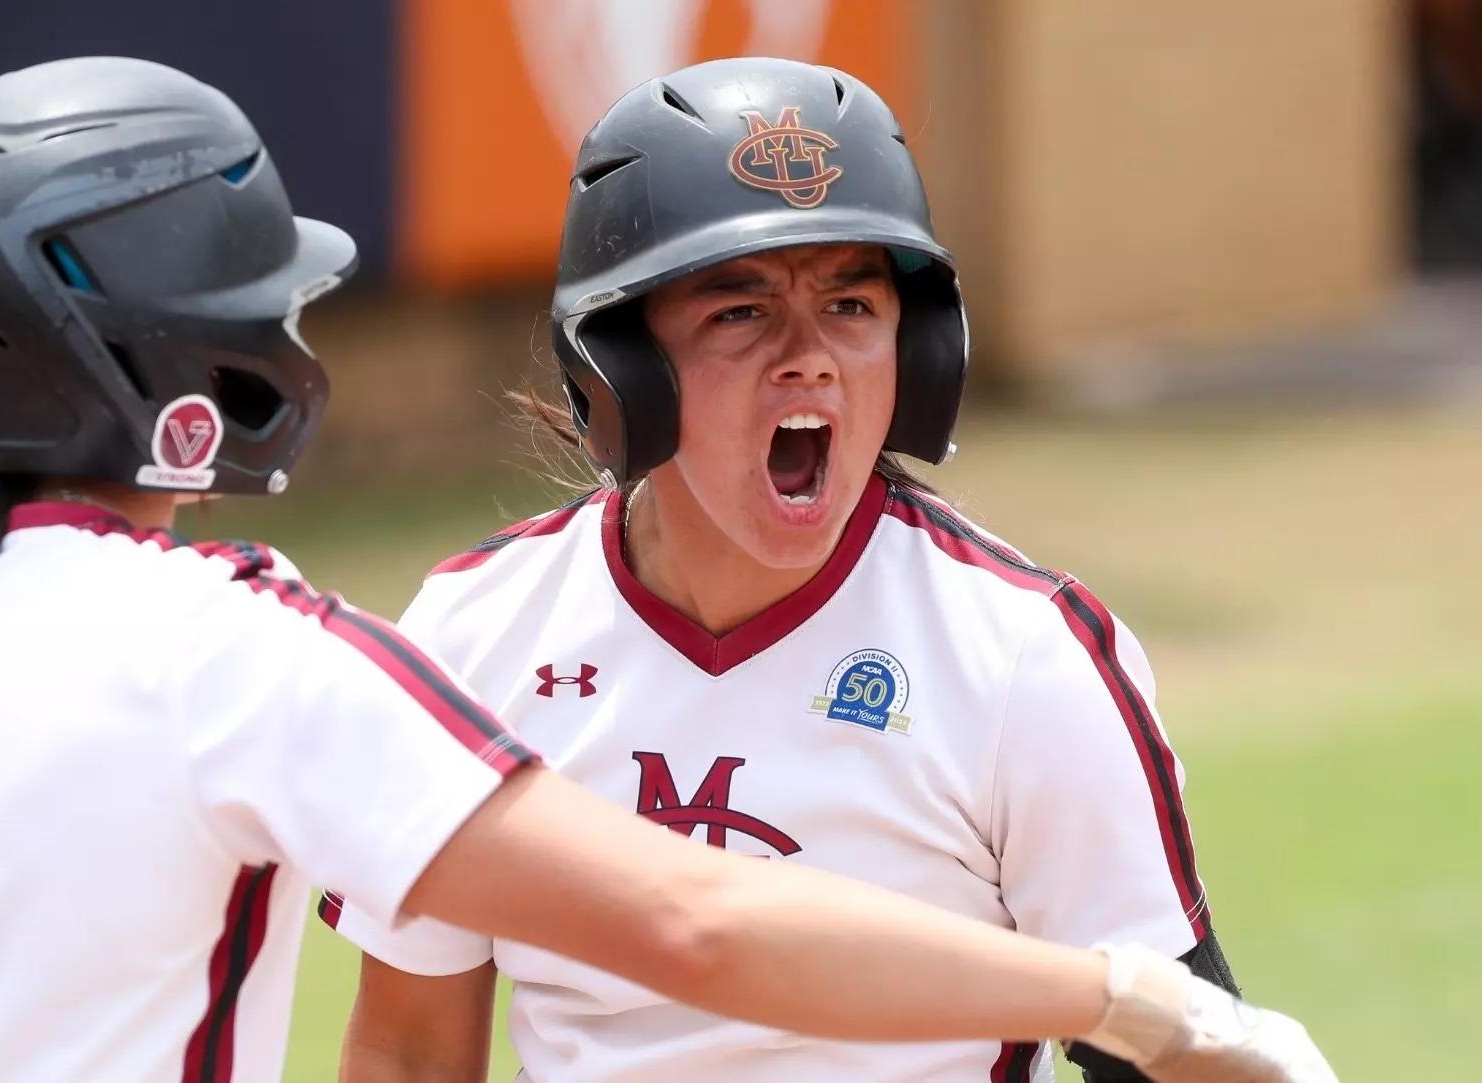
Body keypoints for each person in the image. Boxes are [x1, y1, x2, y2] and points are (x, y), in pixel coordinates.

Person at [0, 56, 1333, 1083]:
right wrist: (1124, 995)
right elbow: (687, 917)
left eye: (852, 306)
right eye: (258, 314)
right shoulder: (241, 646)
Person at [326, 57, 1269, 1083]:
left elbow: (1173, 1050)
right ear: (620, 368)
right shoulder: (472, 635)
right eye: (740, 311)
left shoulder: (1019, 656)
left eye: (850, 306)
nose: (808, 356)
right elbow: (409, 1043)